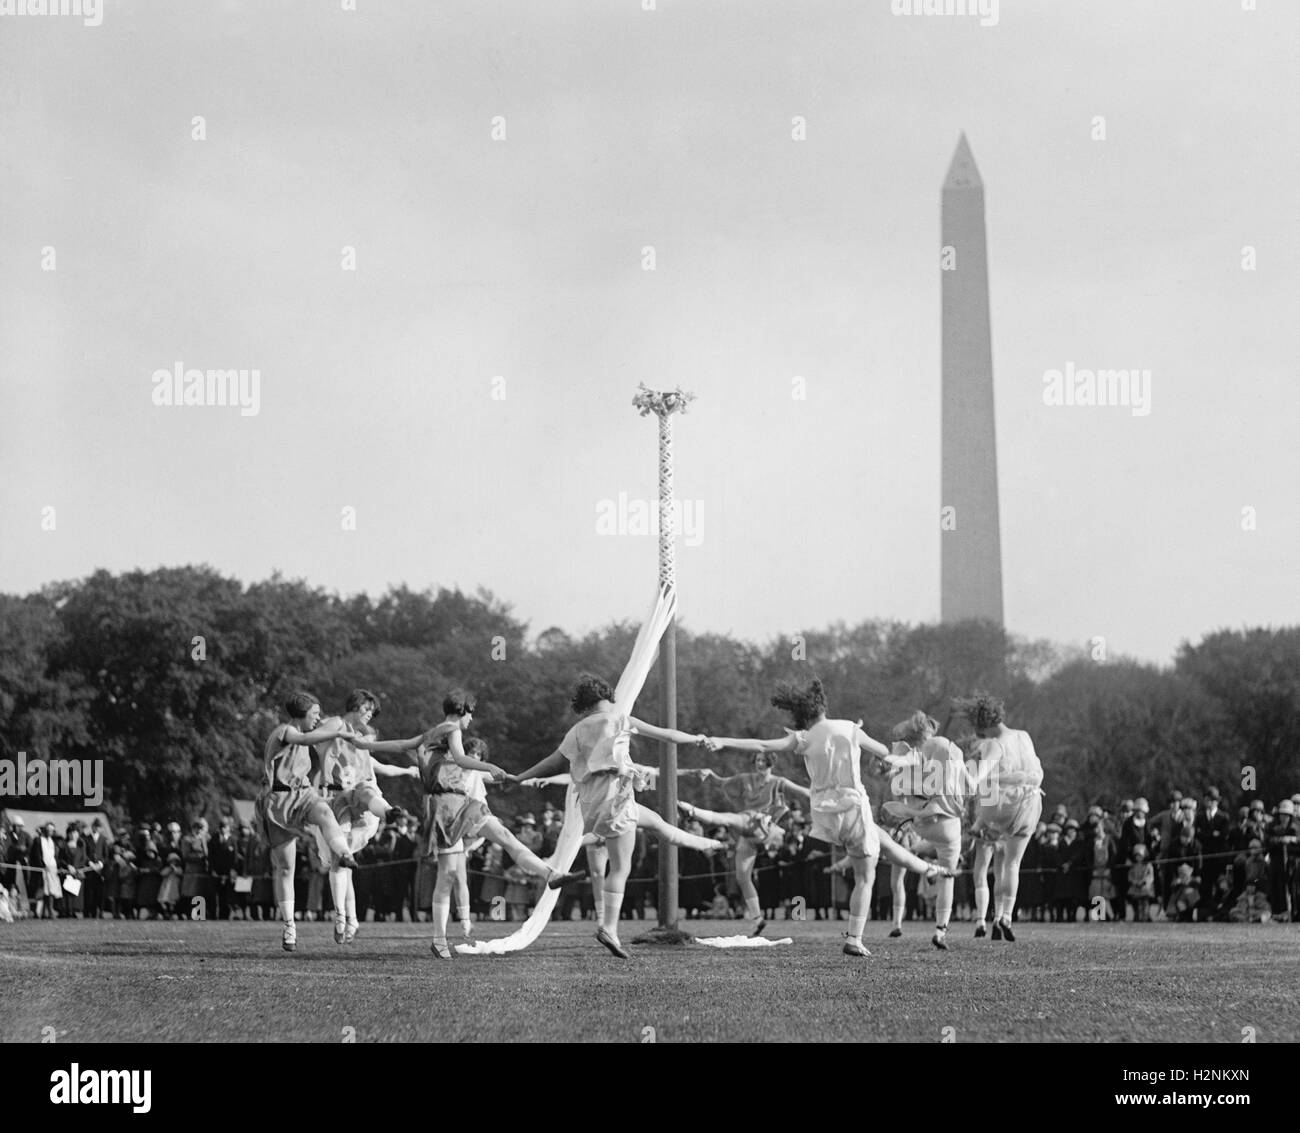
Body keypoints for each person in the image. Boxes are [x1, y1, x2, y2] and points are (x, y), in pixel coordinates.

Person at [702, 677, 953, 958]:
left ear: (801, 715)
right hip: (853, 807)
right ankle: (854, 939)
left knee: (884, 842)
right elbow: (886, 755)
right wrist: (908, 759)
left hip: (824, 814)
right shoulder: (849, 728)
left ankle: (930, 870)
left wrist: (722, 741)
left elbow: (762, 745)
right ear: (822, 705)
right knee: (865, 876)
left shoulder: (803, 738)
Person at [353, 688, 584, 958]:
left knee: (505, 836)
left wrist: (364, 745)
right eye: (471, 714)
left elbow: (402, 745)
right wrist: (490, 767)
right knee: (448, 875)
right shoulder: (451, 728)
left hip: (464, 803)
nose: (471, 720)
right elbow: (461, 759)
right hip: (445, 808)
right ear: (463, 711)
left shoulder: (434, 732)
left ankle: (551, 875)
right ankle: (439, 939)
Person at [511, 673, 727, 959]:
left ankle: (707, 844)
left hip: (593, 804)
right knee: (621, 868)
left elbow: (553, 762)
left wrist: (519, 777)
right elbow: (666, 734)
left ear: (584, 704)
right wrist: (697, 739)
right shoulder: (620, 719)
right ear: (607, 697)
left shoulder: (576, 730)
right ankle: (608, 928)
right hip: (616, 799)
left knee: (657, 824)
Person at [253, 691, 363, 952]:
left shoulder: (308, 732)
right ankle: (289, 925)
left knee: (325, 812)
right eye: (314, 713)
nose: (318, 718)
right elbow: (305, 737)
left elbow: (322, 733)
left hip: (303, 793)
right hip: (278, 803)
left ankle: (343, 854)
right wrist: (337, 733)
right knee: (286, 867)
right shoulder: (285, 732)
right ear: (300, 715)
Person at [311, 690, 420, 942]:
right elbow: (312, 738)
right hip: (334, 800)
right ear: (356, 705)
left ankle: (348, 920)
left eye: (373, 712)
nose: (370, 715)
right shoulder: (337, 724)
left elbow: (383, 767)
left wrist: (408, 771)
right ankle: (345, 919)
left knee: (345, 862)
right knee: (342, 863)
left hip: (358, 801)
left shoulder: (361, 745)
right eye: (367, 709)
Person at [676, 752, 809, 935]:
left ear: (771, 763)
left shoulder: (779, 782)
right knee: (742, 876)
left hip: (766, 828)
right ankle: (758, 919)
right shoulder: (745, 778)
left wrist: (823, 797)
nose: (759, 764)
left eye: (763, 761)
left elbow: (804, 792)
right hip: (749, 831)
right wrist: (709, 775)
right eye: (757, 761)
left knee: (732, 819)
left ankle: (692, 811)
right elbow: (721, 782)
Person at [878, 710, 972, 951]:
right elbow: (970, 784)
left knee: (902, 870)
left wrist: (888, 764)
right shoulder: (946, 748)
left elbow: (898, 777)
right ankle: (940, 930)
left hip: (918, 823)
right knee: (947, 876)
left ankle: (900, 916)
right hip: (946, 822)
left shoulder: (909, 752)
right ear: (931, 731)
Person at [958, 692, 1044, 942]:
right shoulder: (1024, 736)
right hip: (1031, 802)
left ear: (982, 724)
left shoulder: (995, 744)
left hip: (1004, 804)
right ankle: (1005, 915)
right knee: (1012, 864)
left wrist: (965, 775)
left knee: (986, 863)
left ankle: (978, 827)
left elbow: (981, 775)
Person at [1127, 844, 1155, 922]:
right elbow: (1130, 876)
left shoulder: (1148, 865)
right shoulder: (1133, 866)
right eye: (1137, 856)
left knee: (1145, 903)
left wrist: (1144, 882)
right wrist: (1134, 882)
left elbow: (1150, 876)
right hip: (1135, 888)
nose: (1138, 858)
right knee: (1136, 904)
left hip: (1145, 888)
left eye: (1140, 856)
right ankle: (1137, 916)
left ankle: (1145, 917)